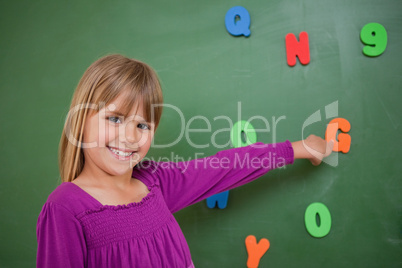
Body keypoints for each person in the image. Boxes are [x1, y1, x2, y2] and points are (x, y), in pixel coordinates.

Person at [36, 54, 333, 268]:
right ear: (80, 120)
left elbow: (227, 166)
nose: (129, 136)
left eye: (143, 125)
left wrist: (297, 148)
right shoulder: (66, 208)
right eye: (115, 118)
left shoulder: (154, 182)